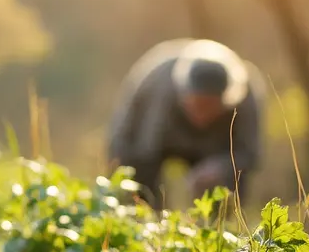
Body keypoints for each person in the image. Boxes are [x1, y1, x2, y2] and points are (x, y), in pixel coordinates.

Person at [106, 38, 264, 208]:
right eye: (197, 104)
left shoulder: (245, 98)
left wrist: (221, 168)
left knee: (232, 180)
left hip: (215, 152)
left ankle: (220, 227)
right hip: (149, 144)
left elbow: (249, 154)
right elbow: (142, 152)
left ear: (227, 101)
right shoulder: (160, 92)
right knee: (136, 175)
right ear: (184, 96)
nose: (202, 115)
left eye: (211, 105)